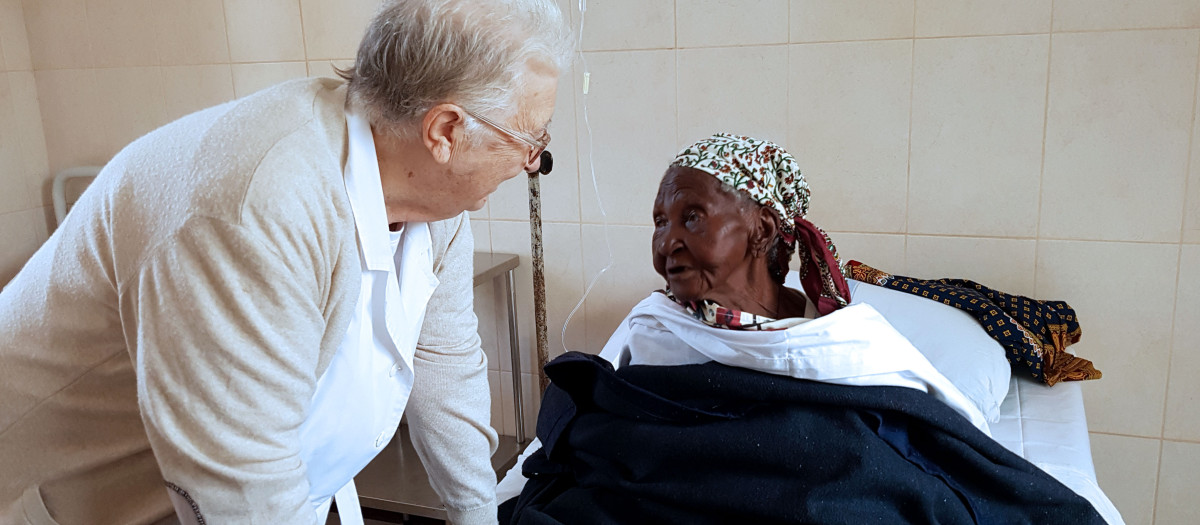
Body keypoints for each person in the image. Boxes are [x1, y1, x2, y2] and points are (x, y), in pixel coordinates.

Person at [0, 1, 571, 524]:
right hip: (60, 500)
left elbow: (446, 370)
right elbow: (240, 489)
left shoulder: (433, 202)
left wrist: (476, 515)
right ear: (445, 131)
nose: (531, 161)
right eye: (530, 138)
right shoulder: (256, 208)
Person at [496, 134, 1108, 524]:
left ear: (761, 229)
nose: (667, 241)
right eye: (659, 222)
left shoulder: (845, 342)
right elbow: (600, 424)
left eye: (692, 217)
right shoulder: (652, 324)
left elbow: (919, 440)